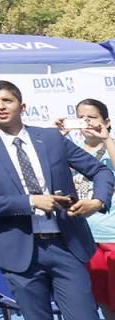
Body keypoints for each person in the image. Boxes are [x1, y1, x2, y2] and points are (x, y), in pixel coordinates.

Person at [0, 81, 115, 320]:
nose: (1, 106)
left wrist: (98, 201)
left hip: (66, 246)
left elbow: (101, 171)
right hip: (21, 252)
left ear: (22, 106)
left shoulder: (51, 138)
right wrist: (30, 202)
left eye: (7, 100)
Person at [56, 99, 115, 318]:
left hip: (111, 237)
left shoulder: (112, 146)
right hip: (82, 238)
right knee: (93, 301)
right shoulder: (72, 151)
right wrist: (56, 138)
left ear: (106, 121)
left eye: (92, 117)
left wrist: (106, 139)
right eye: (81, 117)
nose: (86, 121)